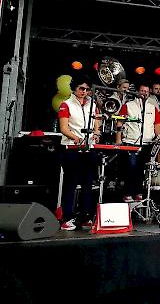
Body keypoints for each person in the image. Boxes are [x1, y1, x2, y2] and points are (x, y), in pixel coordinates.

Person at [57, 75, 101, 231]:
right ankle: (67, 218)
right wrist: (77, 139)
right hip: (72, 149)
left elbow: (97, 122)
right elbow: (63, 128)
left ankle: (85, 217)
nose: (84, 91)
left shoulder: (92, 104)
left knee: (88, 184)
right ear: (74, 89)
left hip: (89, 148)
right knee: (71, 183)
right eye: (81, 88)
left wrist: (96, 134)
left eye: (87, 89)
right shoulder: (66, 104)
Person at [116, 83, 160, 202]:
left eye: (146, 91)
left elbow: (157, 125)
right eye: (142, 90)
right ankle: (127, 193)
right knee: (131, 168)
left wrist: (159, 138)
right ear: (137, 92)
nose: (144, 93)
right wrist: (118, 139)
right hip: (131, 142)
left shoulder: (152, 107)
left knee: (141, 170)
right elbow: (119, 123)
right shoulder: (128, 105)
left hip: (147, 143)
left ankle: (139, 192)